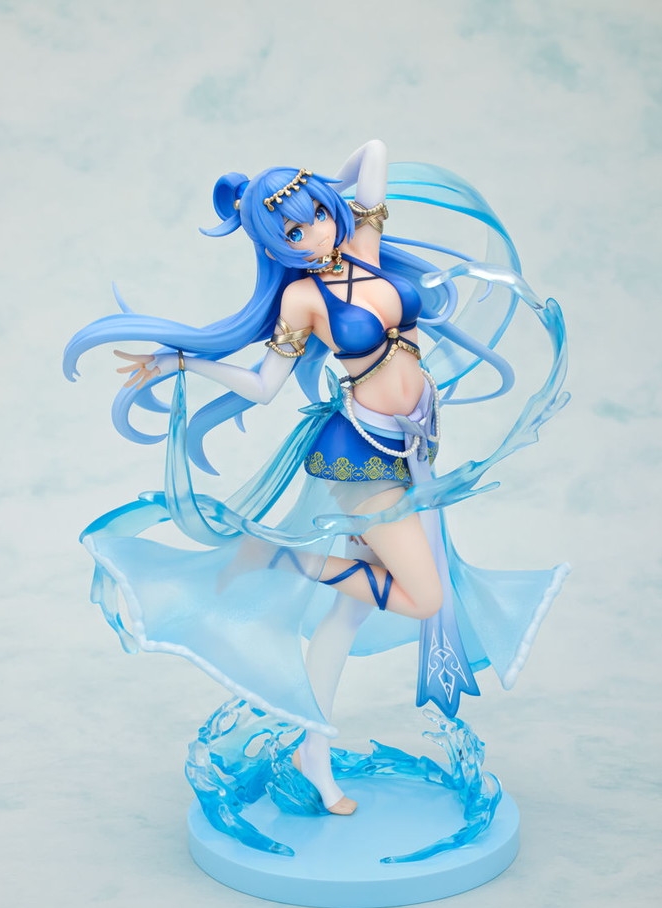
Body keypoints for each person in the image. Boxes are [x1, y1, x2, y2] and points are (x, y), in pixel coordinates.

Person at [64, 140, 569, 817]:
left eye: (316, 216)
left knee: (345, 618)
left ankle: (314, 753)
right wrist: (184, 362)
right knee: (424, 596)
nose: (312, 234)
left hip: (413, 449)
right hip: (361, 459)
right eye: (291, 232)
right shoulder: (301, 298)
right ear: (273, 246)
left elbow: (375, 153)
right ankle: (286, 558)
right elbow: (262, 384)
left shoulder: (363, 247)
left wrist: (320, 184)